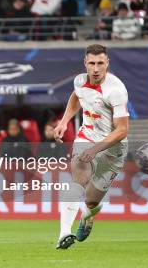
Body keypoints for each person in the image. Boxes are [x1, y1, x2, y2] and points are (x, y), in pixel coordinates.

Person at [53, 44, 130, 249]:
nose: (96, 69)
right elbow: (76, 97)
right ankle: (63, 234)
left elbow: (122, 130)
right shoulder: (80, 80)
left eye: (100, 63)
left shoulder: (116, 90)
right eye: (92, 63)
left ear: (108, 64)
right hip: (86, 137)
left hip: (113, 149)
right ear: (85, 63)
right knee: (78, 179)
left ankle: (88, 215)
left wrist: (95, 150)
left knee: (92, 202)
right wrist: (64, 122)